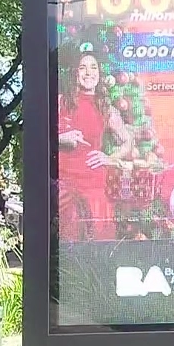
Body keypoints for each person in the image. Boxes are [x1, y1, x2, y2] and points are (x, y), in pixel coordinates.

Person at [57, 44, 133, 240]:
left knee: (98, 240)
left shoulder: (105, 108)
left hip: (93, 184)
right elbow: (40, 137)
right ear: (75, 73)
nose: (88, 73)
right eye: (83, 67)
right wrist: (60, 139)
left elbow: (127, 142)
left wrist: (109, 158)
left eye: (93, 67)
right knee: (67, 239)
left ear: (99, 73)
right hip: (63, 183)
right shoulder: (60, 102)